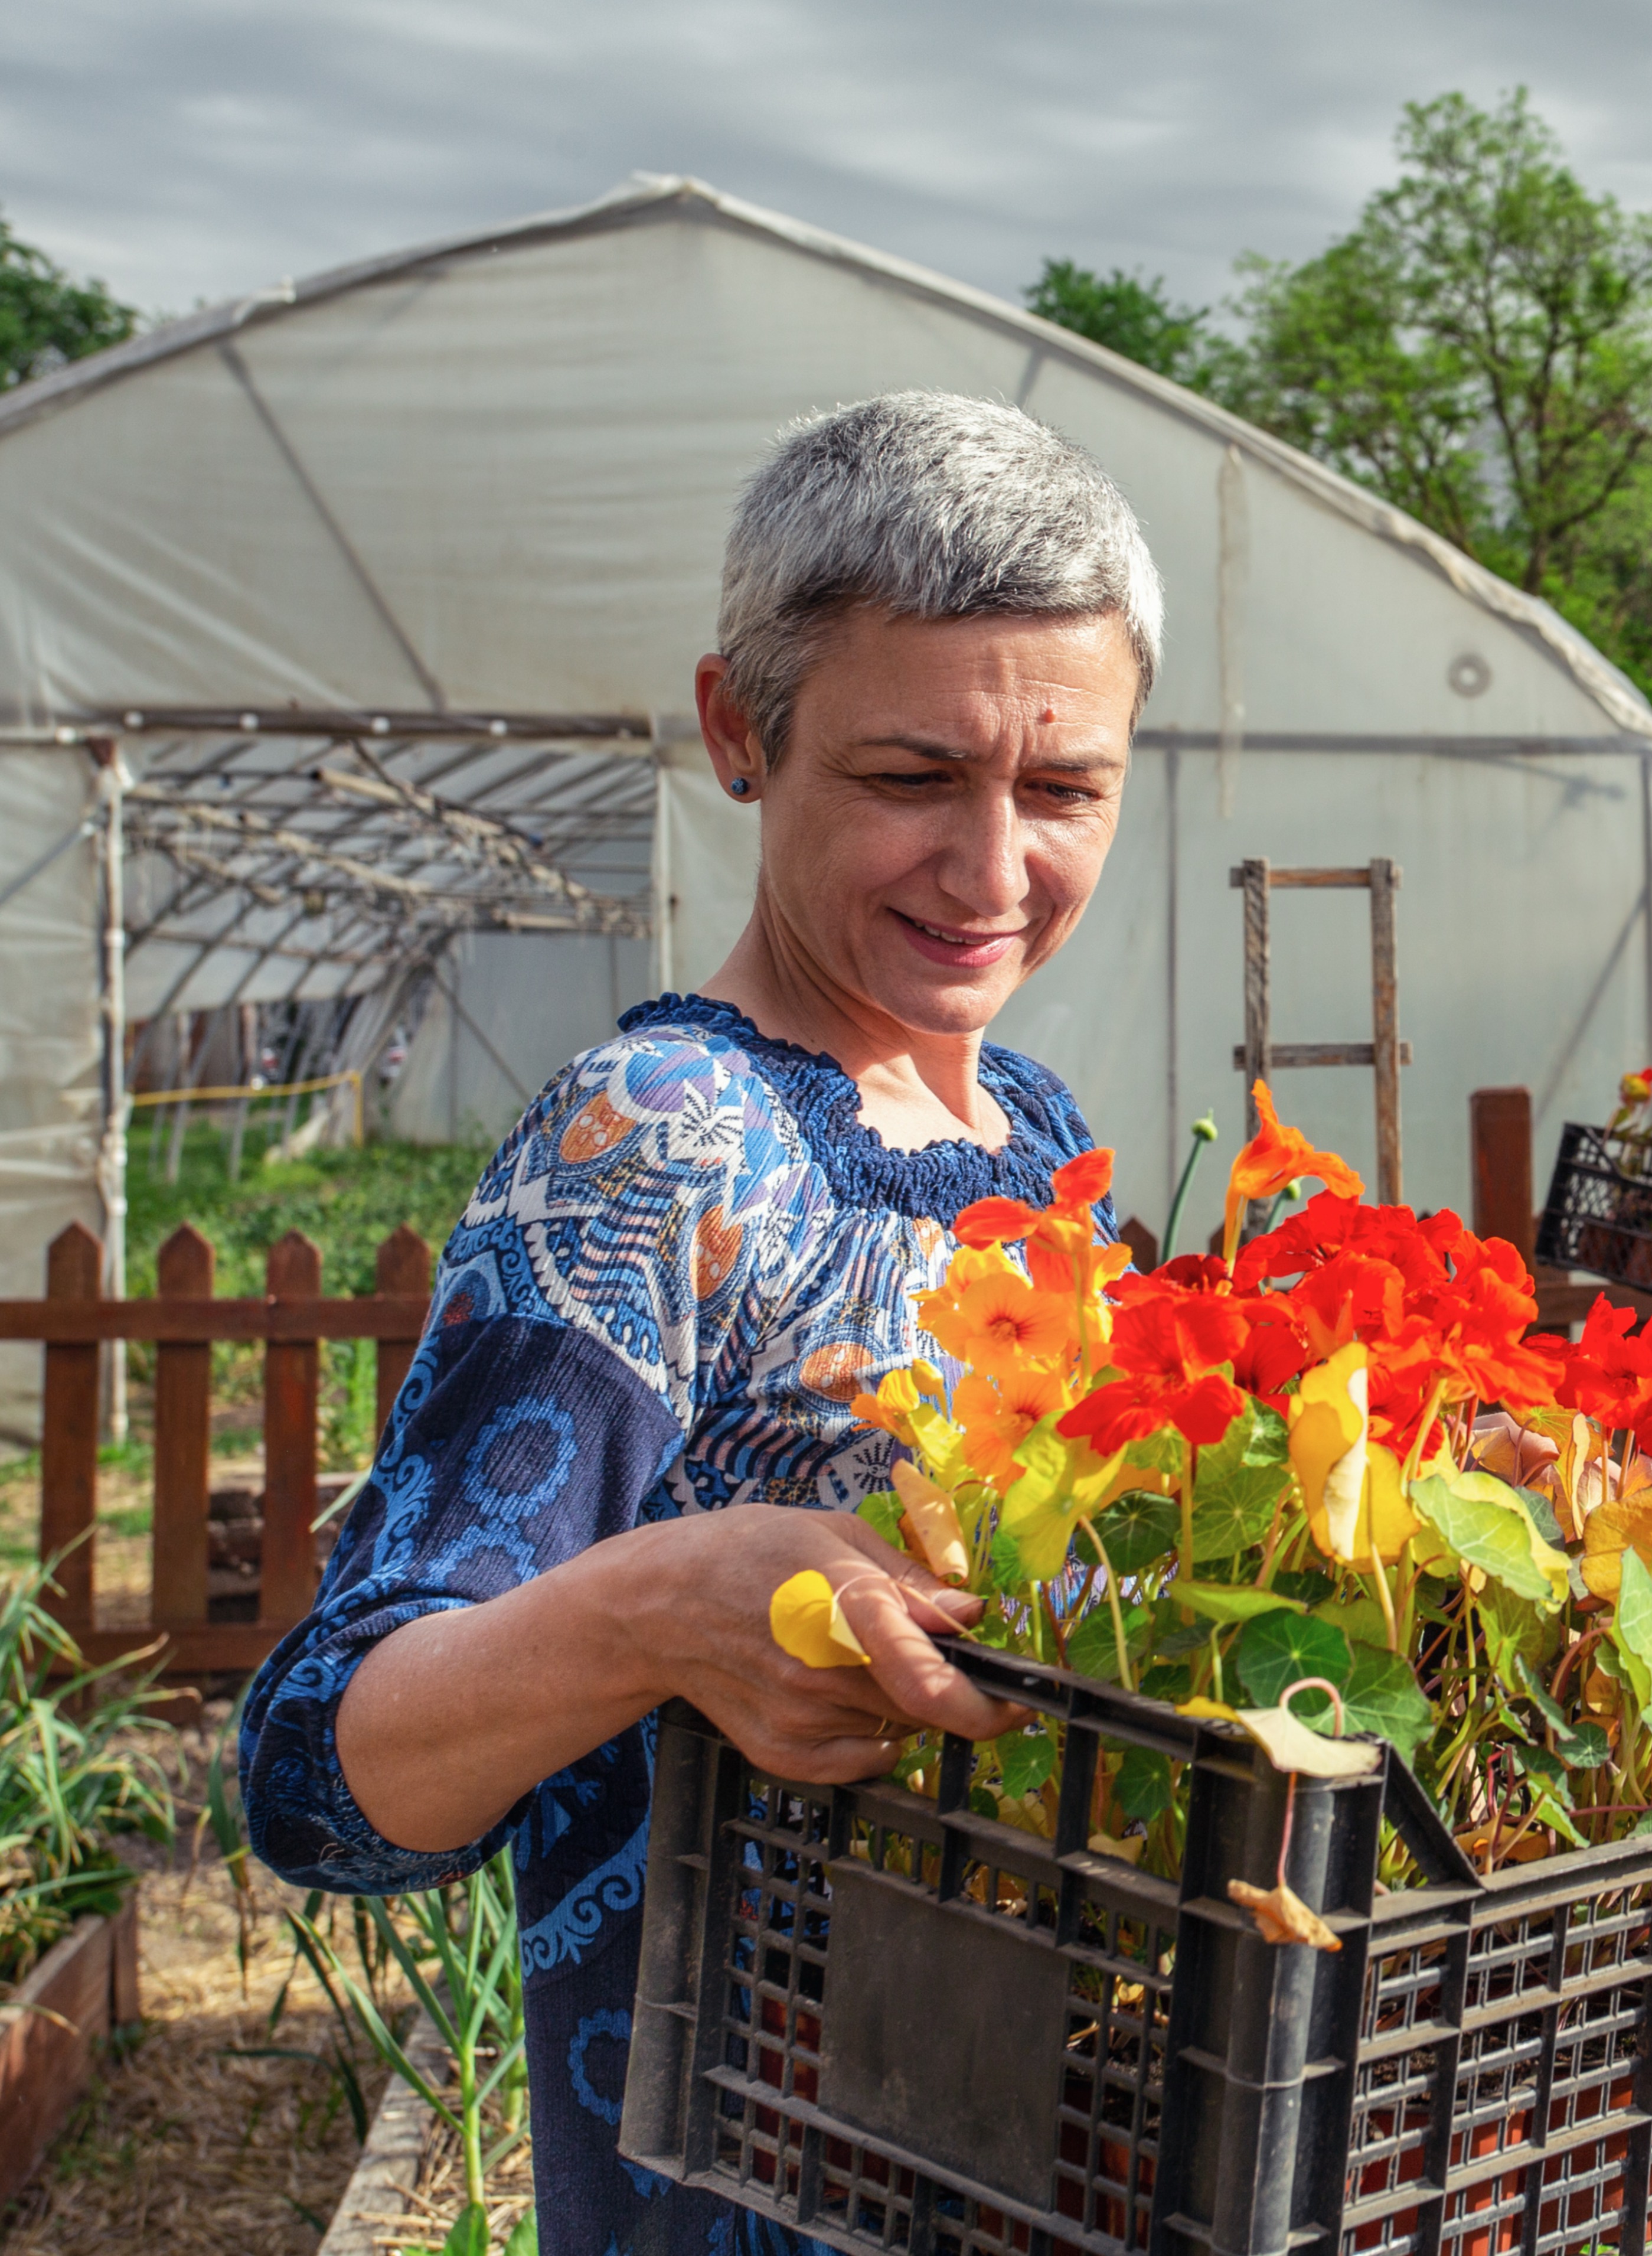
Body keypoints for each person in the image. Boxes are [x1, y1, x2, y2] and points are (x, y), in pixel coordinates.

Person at [239, 392, 1163, 2256]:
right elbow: (318, 1775)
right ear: (742, 731)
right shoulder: (657, 1144)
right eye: (912, 778)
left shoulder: (1042, 1138)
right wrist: (661, 1603)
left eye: (1061, 791)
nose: (993, 872)